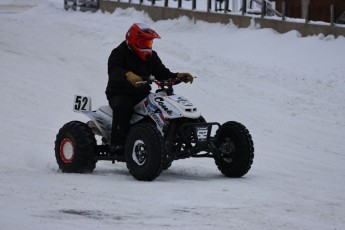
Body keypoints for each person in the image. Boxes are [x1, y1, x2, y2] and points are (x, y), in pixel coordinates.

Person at [106, 23, 194, 153]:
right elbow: (114, 71)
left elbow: (163, 74)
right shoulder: (119, 53)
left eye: (149, 43)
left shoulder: (152, 56)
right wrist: (128, 75)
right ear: (133, 41)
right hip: (120, 93)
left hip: (142, 93)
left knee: (163, 104)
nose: (147, 47)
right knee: (124, 107)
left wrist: (178, 76)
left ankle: (172, 134)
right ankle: (118, 144)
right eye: (143, 43)